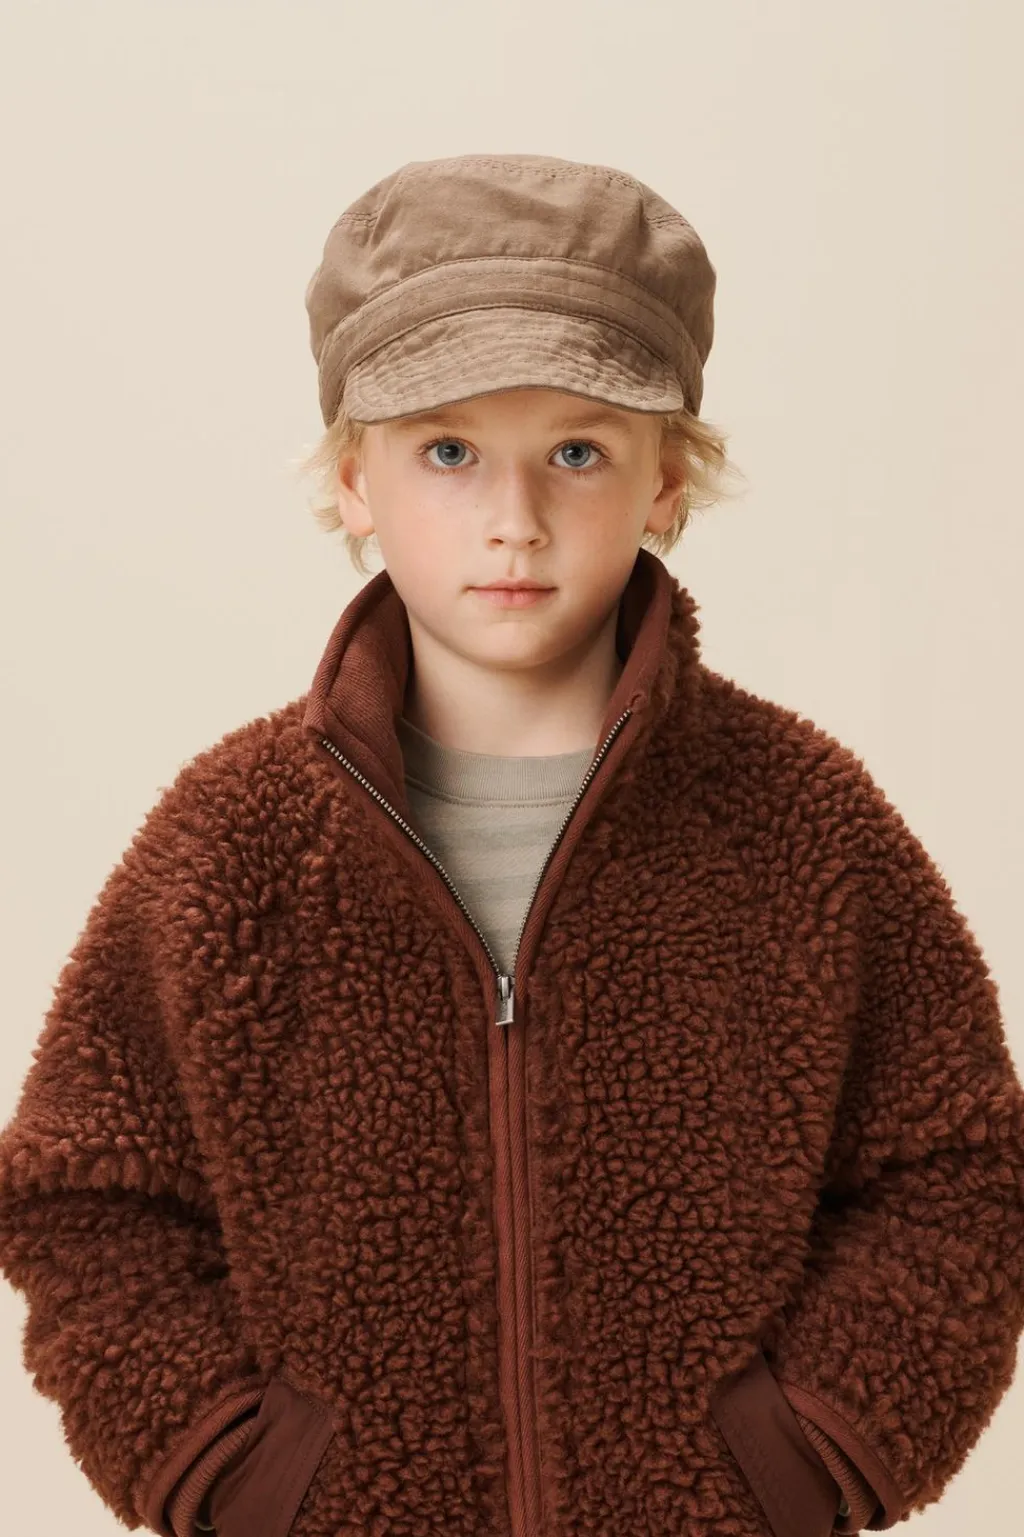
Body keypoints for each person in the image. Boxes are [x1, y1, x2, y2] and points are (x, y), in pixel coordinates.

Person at [1, 152, 1022, 1537]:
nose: (514, 520)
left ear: (668, 482)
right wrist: (235, 1471)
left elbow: (959, 1172)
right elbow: (86, 1195)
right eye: (448, 451)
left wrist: (805, 1453)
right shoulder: (233, 844)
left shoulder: (800, 824)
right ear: (354, 480)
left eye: (578, 452)